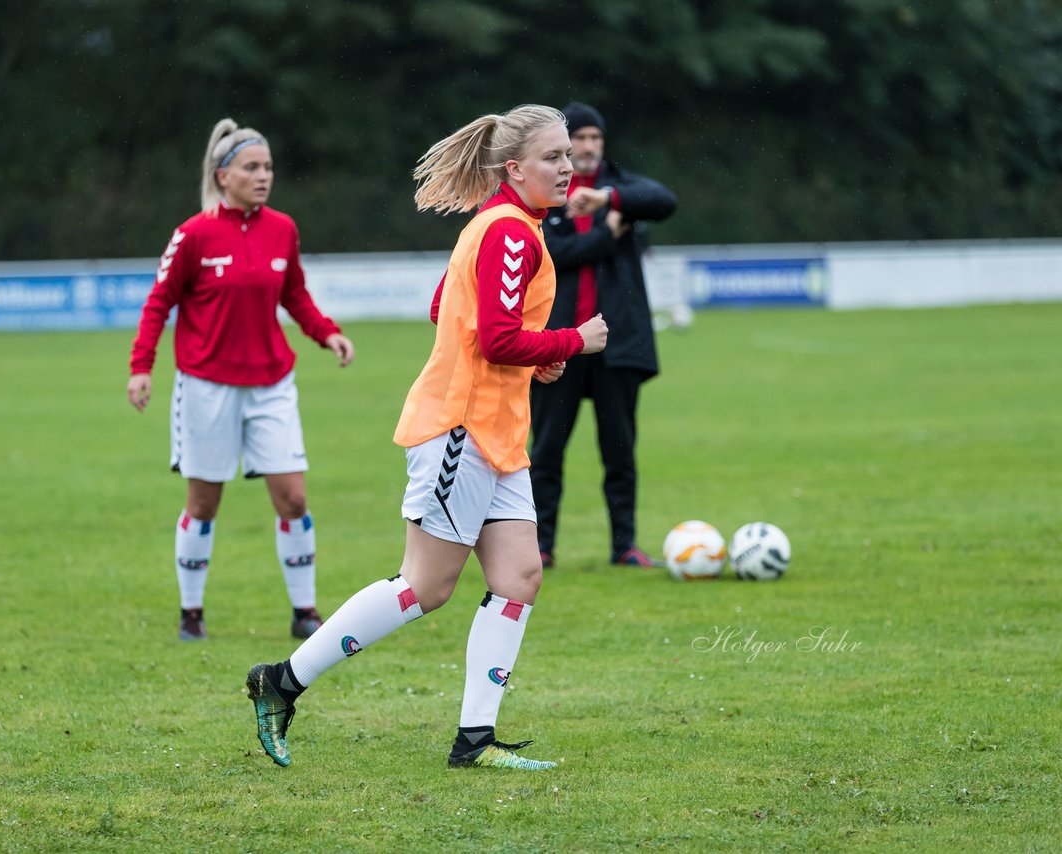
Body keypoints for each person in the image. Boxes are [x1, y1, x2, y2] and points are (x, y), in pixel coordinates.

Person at [244, 104, 608, 771]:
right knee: (424, 587)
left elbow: (448, 306)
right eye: (554, 157)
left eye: (569, 156)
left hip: (498, 435)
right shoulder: (507, 232)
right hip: (459, 431)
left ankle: (474, 742)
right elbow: (493, 334)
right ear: (514, 167)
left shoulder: (507, 225)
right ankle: (281, 681)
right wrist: (570, 342)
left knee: (520, 575)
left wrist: (539, 353)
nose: (569, 166)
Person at [126, 117, 355, 642]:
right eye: (252, 167)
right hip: (206, 386)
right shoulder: (192, 235)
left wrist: (328, 334)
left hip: (272, 383)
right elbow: (159, 303)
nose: (263, 175)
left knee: (293, 498)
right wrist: (142, 368)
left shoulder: (283, 228)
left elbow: (294, 295)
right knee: (204, 503)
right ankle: (191, 614)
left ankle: (305, 612)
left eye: (269, 166)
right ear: (222, 174)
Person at [530, 101, 678, 569]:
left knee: (620, 453)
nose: (590, 147)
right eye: (581, 139)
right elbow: (555, 254)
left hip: (617, 344)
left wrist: (609, 201)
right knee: (546, 451)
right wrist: (608, 234)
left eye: (597, 138)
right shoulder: (545, 194)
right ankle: (540, 547)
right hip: (559, 344)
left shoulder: (621, 189)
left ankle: (625, 547)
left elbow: (665, 201)